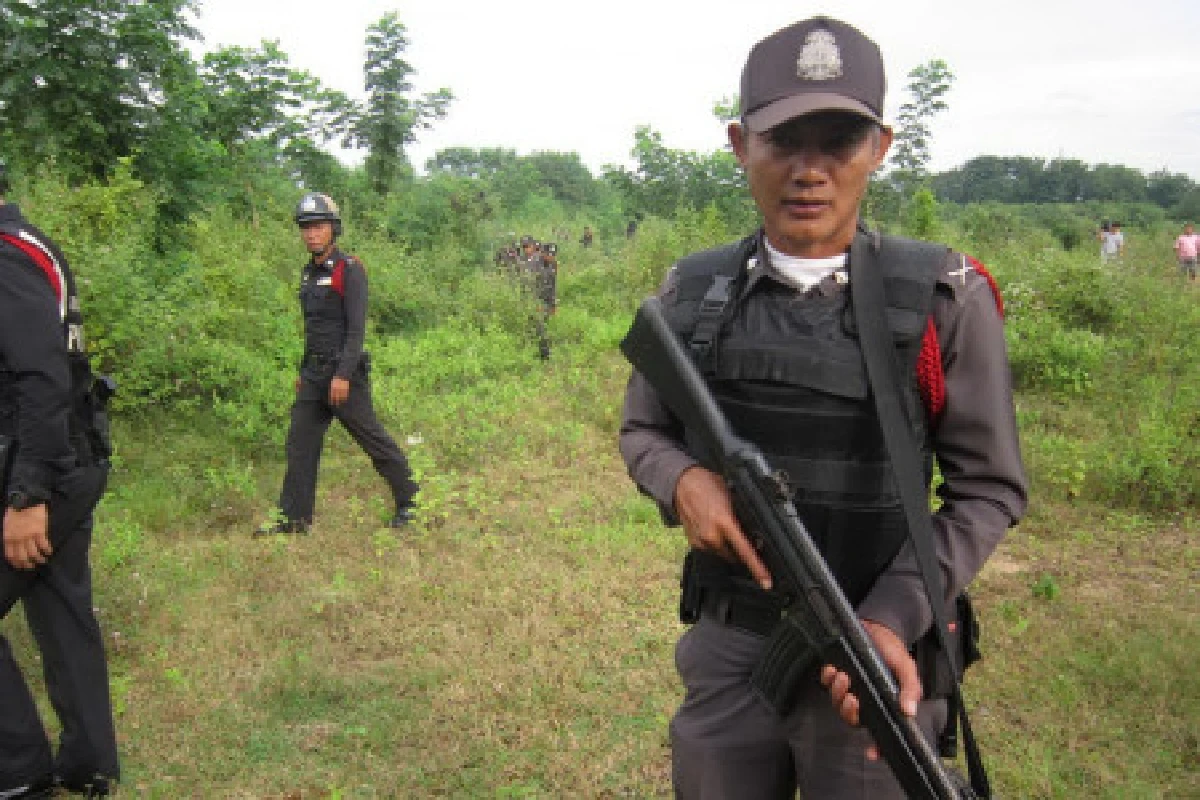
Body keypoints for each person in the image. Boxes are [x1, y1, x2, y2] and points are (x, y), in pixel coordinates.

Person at [618, 17, 1027, 798]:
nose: (809, 171)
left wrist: (891, 615)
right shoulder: (693, 292)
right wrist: (682, 481)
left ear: (880, 147)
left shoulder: (943, 299)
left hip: (873, 655)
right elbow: (644, 428)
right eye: (783, 141)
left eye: (838, 141)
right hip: (733, 646)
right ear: (740, 145)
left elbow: (989, 490)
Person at [0, 162, 120, 797]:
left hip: (43, 467)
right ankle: (88, 764)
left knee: (62, 605)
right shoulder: (31, 243)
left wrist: (27, 495)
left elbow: (41, 378)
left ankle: (19, 773)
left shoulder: (4, 257)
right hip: (72, 456)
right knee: (62, 607)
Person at [258, 193, 419, 535]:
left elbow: (356, 329)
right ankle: (293, 520)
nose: (311, 234)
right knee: (299, 445)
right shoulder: (307, 274)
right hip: (313, 375)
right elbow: (313, 328)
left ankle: (412, 502)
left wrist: (343, 375)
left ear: (333, 229)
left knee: (372, 439)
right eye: (306, 228)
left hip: (343, 375)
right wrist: (303, 371)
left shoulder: (350, 269)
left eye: (318, 226)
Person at [517, 235, 556, 360]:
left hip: (541, 300)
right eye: (524, 246)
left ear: (533, 246)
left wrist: (550, 303)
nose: (526, 249)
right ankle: (532, 352)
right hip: (530, 299)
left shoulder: (542, 262)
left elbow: (550, 285)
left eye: (527, 246)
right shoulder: (524, 261)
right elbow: (524, 283)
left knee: (540, 327)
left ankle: (545, 356)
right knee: (531, 326)